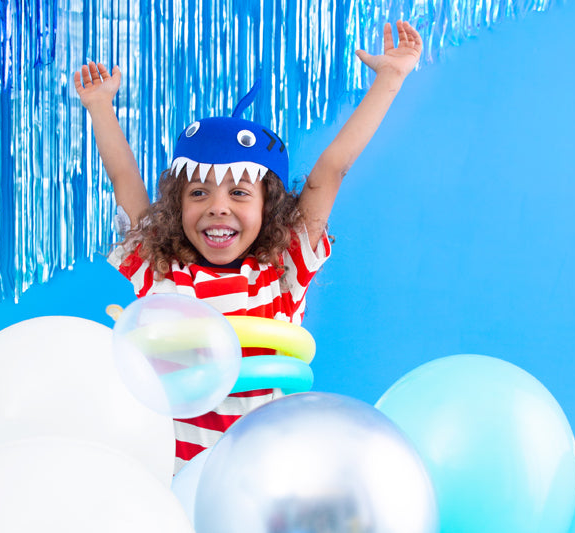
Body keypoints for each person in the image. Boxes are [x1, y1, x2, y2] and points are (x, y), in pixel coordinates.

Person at [74, 21, 423, 472]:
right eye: (198, 193)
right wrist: (100, 105)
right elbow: (124, 180)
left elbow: (330, 172)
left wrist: (389, 80)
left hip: (260, 477)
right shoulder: (163, 273)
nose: (218, 208)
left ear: (269, 207)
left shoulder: (281, 274)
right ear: (176, 206)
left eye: (239, 193)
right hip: (172, 479)